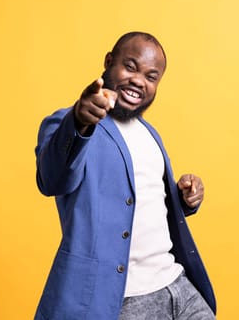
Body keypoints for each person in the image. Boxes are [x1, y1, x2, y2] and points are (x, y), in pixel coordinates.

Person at [34, 32, 216, 320]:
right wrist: (79, 122)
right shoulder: (70, 122)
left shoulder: (149, 132)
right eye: (130, 67)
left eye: (151, 76)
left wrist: (185, 198)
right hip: (125, 298)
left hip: (175, 284)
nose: (138, 81)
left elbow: (140, 202)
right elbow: (52, 179)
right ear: (109, 62)